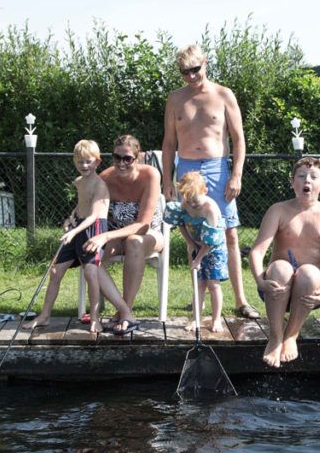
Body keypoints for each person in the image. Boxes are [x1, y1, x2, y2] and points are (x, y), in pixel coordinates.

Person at [161, 44, 259, 320]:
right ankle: (199, 300)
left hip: (218, 168)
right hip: (187, 169)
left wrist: (237, 173)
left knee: (228, 232)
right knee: (192, 232)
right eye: (185, 72)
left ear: (205, 63)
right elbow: (169, 143)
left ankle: (241, 300)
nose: (191, 76)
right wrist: (167, 179)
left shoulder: (224, 95)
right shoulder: (175, 99)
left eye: (196, 70)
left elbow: (238, 138)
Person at [27, 140, 135, 334]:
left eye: (88, 161)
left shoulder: (100, 186)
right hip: (79, 226)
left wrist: (73, 232)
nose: (84, 165)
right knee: (55, 272)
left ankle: (94, 318)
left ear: (97, 162)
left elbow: (94, 215)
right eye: (80, 161)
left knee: (91, 273)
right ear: (75, 161)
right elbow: (81, 206)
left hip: (94, 230)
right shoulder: (79, 182)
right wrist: (70, 219)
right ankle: (44, 316)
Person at [248, 157, 320, 368]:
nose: (306, 181)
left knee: (309, 272)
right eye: (300, 177)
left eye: (313, 177)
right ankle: (275, 336)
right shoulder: (278, 210)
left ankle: (291, 335)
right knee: (282, 267)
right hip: (275, 286)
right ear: (292, 182)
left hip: (309, 289)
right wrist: (259, 280)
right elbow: (256, 252)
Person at [85, 134, 163, 325]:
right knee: (89, 254)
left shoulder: (150, 175)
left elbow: (143, 225)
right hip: (114, 234)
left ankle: (125, 310)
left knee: (134, 241)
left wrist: (105, 236)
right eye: (117, 157)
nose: (121, 163)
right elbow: (91, 208)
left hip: (149, 234)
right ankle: (124, 311)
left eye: (127, 158)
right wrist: (72, 220)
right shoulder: (105, 178)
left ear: (137, 158)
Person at [164, 171, 228, 333]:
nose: (192, 205)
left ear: (205, 190)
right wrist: (189, 242)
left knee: (213, 284)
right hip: (198, 246)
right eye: (188, 200)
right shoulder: (186, 203)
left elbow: (211, 240)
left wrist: (198, 259)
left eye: (195, 201)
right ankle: (195, 319)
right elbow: (180, 222)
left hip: (214, 248)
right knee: (199, 285)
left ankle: (216, 320)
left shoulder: (210, 209)